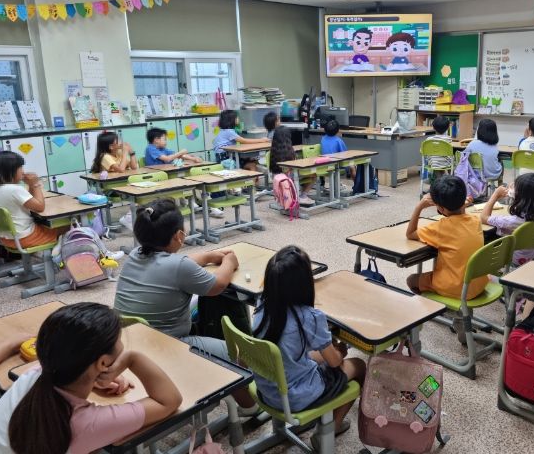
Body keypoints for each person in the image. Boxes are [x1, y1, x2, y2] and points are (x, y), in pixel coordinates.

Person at [113, 198, 258, 414]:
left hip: (131, 339)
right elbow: (218, 284)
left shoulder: (135, 255)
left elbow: (181, 263)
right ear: (179, 235)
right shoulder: (179, 267)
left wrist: (207, 256)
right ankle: (249, 407)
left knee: (200, 303)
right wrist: (229, 261)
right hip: (168, 344)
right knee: (238, 352)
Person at [0, 302, 182, 454]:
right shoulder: (87, 424)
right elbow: (168, 401)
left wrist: (90, 379)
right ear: (103, 362)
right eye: (118, 340)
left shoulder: (37, 373)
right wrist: (132, 358)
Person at [252, 245, 366, 449]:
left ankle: (322, 417)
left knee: (317, 355)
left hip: (267, 390)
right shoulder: (310, 318)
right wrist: (339, 351)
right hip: (296, 397)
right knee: (358, 365)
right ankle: (330, 428)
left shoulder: (262, 305)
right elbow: (334, 362)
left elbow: (293, 351)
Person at [406, 175, 488, 299]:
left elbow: (410, 234)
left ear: (441, 208)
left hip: (455, 288)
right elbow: (460, 215)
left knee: (411, 279)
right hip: (477, 284)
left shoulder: (441, 227)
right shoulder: (475, 220)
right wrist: (463, 204)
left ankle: (433, 305)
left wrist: (419, 206)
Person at [0, 151, 64, 248]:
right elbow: (40, 207)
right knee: (69, 226)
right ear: (9, 171)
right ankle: (59, 255)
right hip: (26, 238)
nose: (23, 172)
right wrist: (35, 184)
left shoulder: (2, 189)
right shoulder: (14, 190)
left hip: (6, 239)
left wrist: (31, 185)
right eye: (20, 168)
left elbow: (31, 203)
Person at [481, 173, 534, 265]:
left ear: (521, 197)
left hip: (517, 261)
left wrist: (495, 195)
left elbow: (483, 217)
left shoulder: (512, 222)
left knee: (486, 237)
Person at [270, 126, 315, 206]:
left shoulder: (273, 150)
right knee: (314, 174)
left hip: (277, 177)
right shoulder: (290, 150)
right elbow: (293, 167)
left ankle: (296, 194)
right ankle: (303, 196)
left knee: (302, 174)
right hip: (289, 177)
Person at [321, 119, 355, 186]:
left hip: (324, 164)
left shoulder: (323, 138)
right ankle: (356, 185)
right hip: (336, 165)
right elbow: (345, 154)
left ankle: (330, 183)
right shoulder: (338, 140)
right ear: (338, 130)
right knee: (353, 166)